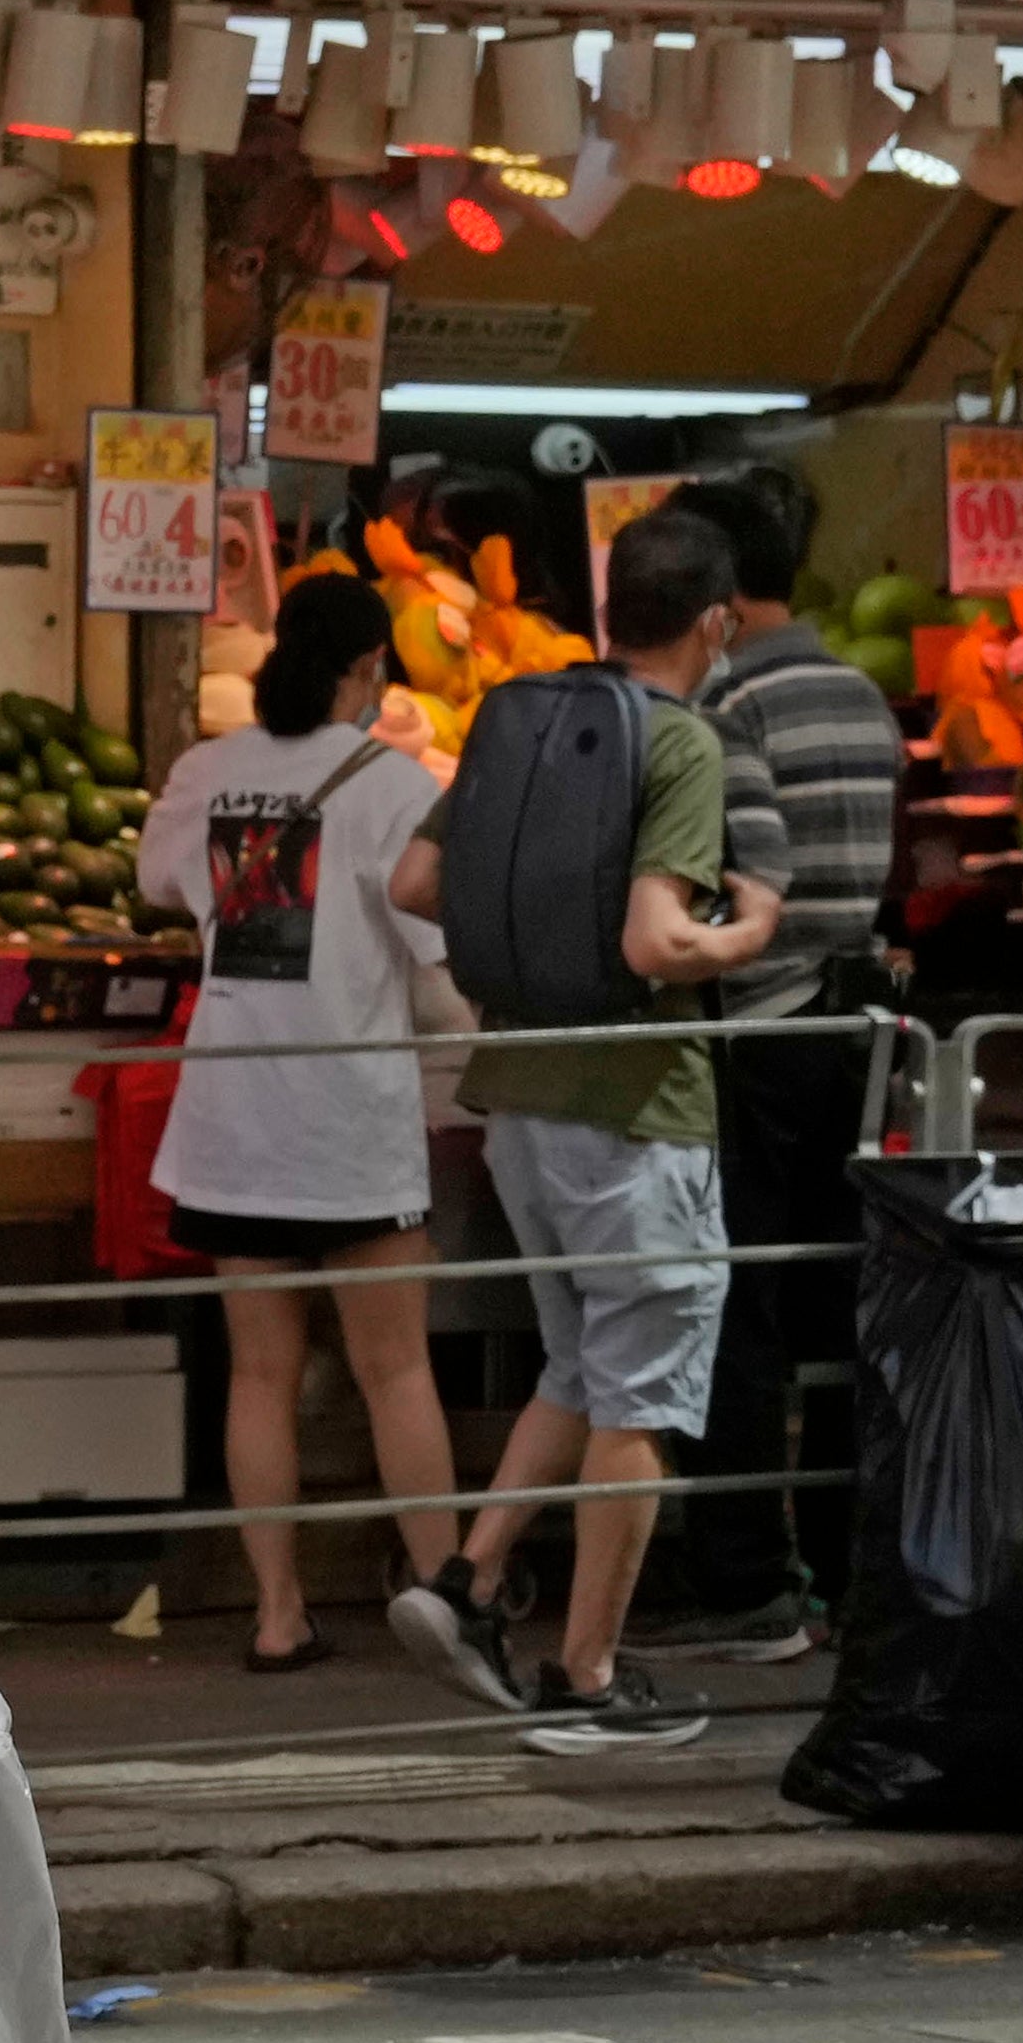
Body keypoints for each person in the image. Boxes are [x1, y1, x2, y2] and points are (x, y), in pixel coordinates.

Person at [386, 505, 771, 1754]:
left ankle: (469, 1582)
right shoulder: (683, 743)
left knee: (580, 1361)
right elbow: (656, 940)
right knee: (640, 1399)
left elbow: (417, 884)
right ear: (716, 620)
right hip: (635, 1110)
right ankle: (590, 1676)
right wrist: (748, 930)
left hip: (519, 1100)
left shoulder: (523, 711)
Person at [141, 569, 473, 1675]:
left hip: (238, 1110)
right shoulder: (396, 786)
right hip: (349, 1116)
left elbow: (156, 878)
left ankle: (276, 1615)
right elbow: (435, 961)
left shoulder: (206, 768)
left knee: (257, 1375)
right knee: (397, 1372)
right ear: (372, 669)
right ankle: (445, 1598)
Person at [645, 469, 902, 1660]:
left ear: (717, 590)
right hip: (855, 1037)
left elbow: (745, 877)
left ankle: (747, 1581)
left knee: (734, 1311)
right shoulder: (862, 693)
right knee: (847, 1310)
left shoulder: (729, 705)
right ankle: (860, 1574)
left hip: (761, 1033)